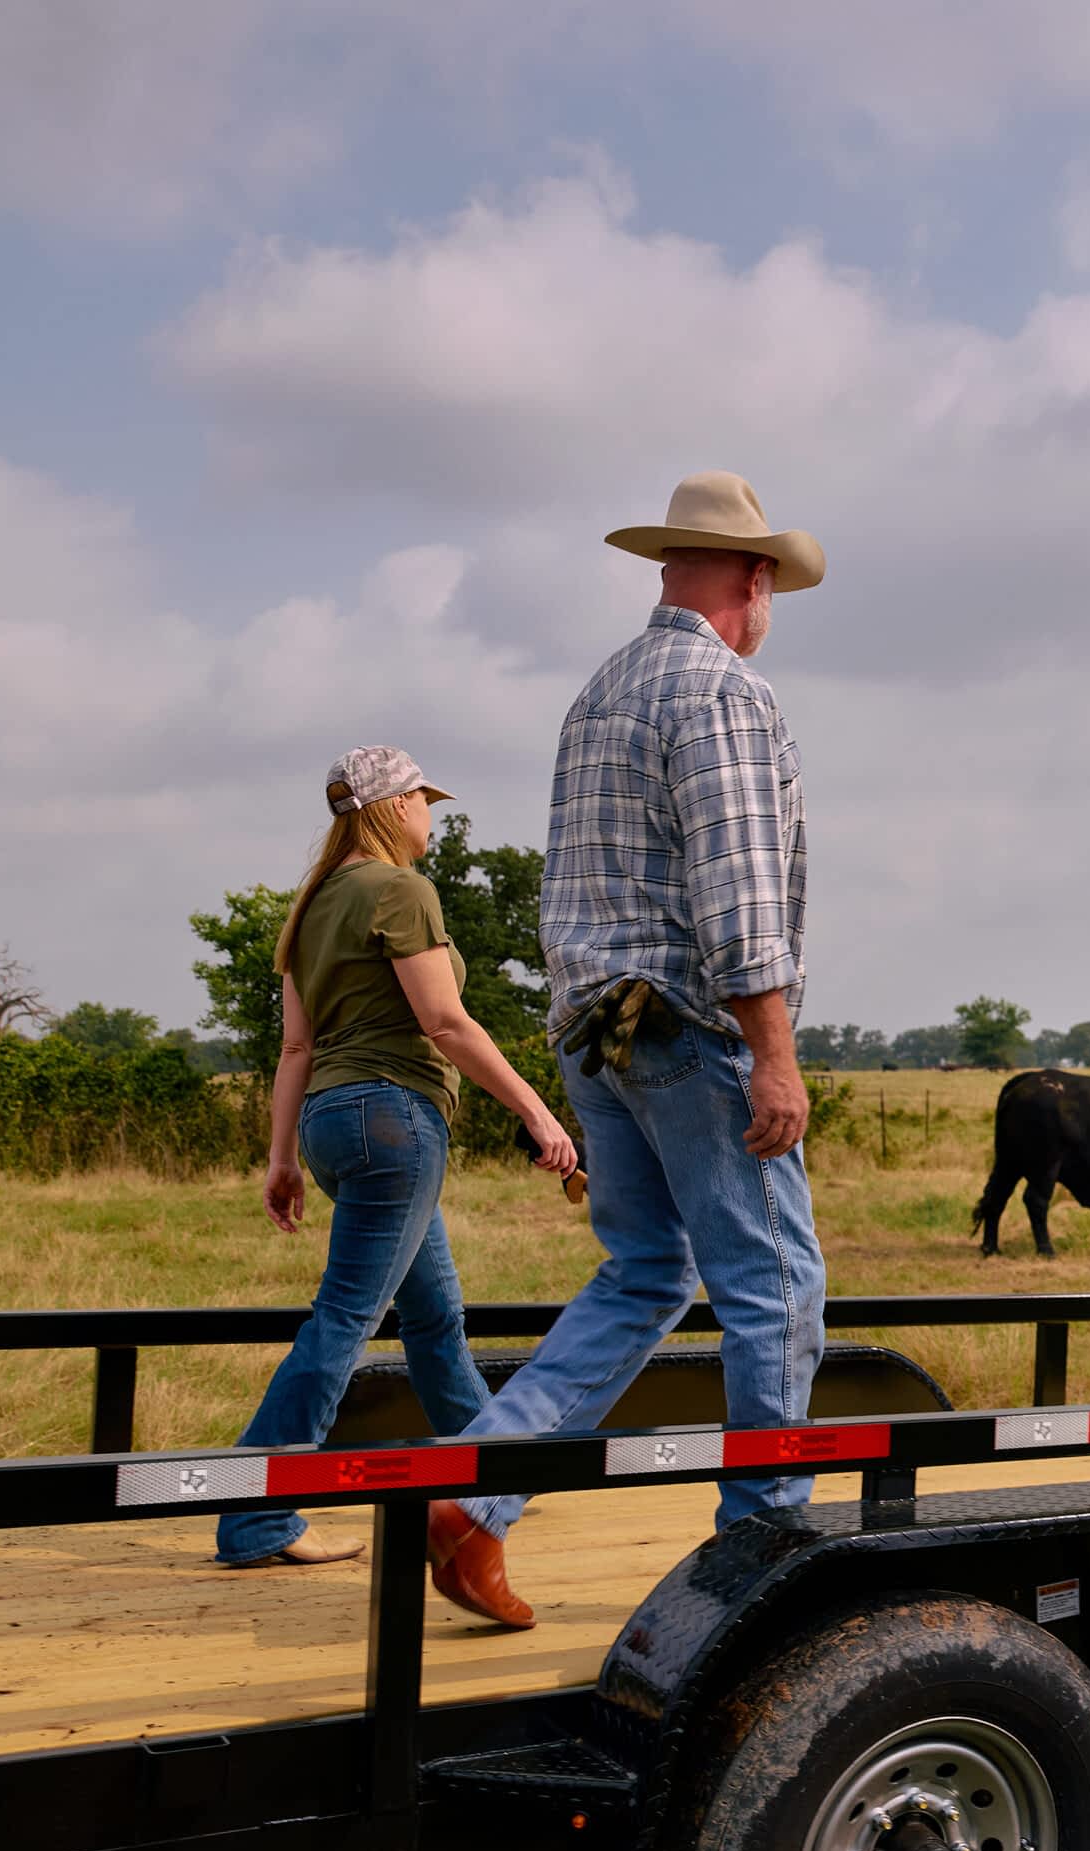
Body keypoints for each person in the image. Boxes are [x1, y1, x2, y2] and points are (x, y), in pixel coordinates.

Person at [425, 472, 829, 1629]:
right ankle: (763, 1548)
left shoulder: (602, 692)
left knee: (649, 1270)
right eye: (771, 587)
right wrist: (775, 1052)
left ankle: (478, 1488)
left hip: (590, 1031)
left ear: (670, 567)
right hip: (688, 1026)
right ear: (753, 580)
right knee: (777, 1284)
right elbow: (739, 889)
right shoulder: (721, 692)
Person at [217, 747, 580, 1567]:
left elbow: (296, 1047)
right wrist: (537, 1113)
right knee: (345, 1319)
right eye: (423, 798)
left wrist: (279, 1158)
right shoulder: (401, 891)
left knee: (433, 1318)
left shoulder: (310, 907)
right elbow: (446, 1024)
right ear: (391, 806)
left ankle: (488, 1477)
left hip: (330, 1123)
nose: (431, 813)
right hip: (395, 1118)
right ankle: (254, 1514)